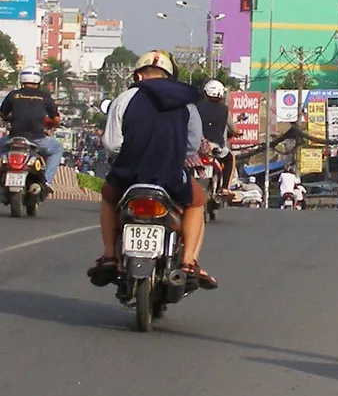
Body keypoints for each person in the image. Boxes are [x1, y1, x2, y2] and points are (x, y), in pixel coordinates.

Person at [87, 50, 218, 289]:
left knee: (108, 196)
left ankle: (109, 255)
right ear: (168, 76)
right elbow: (192, 145)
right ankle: (188, 261)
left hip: (129, 173)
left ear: (138, 76)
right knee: (198, 201)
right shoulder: (186, 102)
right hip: (170, 174)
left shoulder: (125, 98)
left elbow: (112, 144)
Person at [0, 66, 64, 194]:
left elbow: (2, 113)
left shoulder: (13, 95)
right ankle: (47, 181)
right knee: (57, 149)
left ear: (22, 80)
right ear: (38, 80)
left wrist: (12, 118)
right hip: (37, 139)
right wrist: (50, 124)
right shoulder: (45, 97)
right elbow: (56, 119)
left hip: (14, 138)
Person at [196, 79, 236, 195]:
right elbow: (234, 129)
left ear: (205, 93)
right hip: (215, 147)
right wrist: (236, 133)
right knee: (230, 158)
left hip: (197, 146)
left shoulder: (197, 107)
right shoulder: (224, 109)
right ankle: (225, 187)